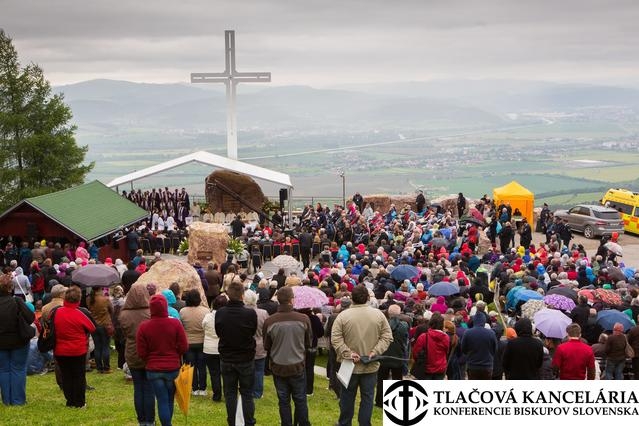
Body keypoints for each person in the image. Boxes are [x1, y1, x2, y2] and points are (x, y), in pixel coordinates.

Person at [331, 285, 393, 426]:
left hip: (356, 364)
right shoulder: (378, 315)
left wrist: (371, 352)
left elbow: (335, 339)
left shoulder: (343, 316)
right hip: (363, 365)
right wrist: (372, 352)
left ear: (352, 298)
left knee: (348, 397)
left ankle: (345, 423)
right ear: (367, 298)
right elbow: (387, 337)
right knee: (366, 398)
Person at [263, 286, 312, 426]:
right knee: (300, 399)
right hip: (296, 365)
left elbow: (267, 345)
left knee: (284, 400)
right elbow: (308, 342)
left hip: (279, 366)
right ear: (291, 300)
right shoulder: (303, 319)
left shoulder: (270, 321)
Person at [137, 294, 188, 426]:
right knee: (169, 399)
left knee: (162, 399)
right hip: (172, 368)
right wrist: (175, 354)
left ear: (151, 308)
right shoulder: (175, 324)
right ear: (165, 307)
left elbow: (141, 352)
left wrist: (150, 358)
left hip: (153, 369)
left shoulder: (144, 327)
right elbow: (184, 346)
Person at [215, 281, 258, 426]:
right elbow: (251, 332)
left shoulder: (221, 313)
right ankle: (248, 421)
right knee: (246, 393)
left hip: (228, 357)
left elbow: (219, 332)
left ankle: (232, 421)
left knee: (230, 393)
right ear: (242, 295)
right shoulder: (249, 313)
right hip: (244, 357)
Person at [54, 286, 96, 408]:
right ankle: (80, 402)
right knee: (78, 376)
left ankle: (70, 401)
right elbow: (92, 328)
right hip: (78, 350)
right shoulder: (80, 314)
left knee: (66, 375)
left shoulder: (57, 312)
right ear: (78, 300)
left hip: (60, 349)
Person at [119, 285, 155, 426]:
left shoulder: (124, 315)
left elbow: (122, 334)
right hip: (148, 353)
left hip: (132, 352)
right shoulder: (151, 313)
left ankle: (142, 420)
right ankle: (150, 420)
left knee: (138, 388)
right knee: (149, 388)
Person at [0, 272, 35, 405]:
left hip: (2, 342)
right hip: (19, 340)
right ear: (11, 288)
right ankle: (18, 400)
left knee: (3, 370)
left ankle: (7, 400)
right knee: (18, 369)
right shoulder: (17, 301)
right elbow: (31, 317)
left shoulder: (16, 301)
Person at [375, 305, 408, 406]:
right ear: (399, 313)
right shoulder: (404, 326)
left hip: (384, 355)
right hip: (397, 356)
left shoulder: (382, 325)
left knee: (381, 380)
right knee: (397, 380)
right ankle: (398, 402)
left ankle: (380, 401)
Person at [181, 289, 210, 396]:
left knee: (191, 366)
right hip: (202, 342)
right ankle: (202, 388)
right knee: (202, 366)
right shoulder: (205, 311)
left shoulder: (183, 311)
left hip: (189, 342)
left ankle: (194, 388)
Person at [242, 290, 269, 399]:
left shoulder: (242, 312)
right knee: (258, 370)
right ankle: (257, 392)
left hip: (246, 345)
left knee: (247, 370)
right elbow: (267, 329)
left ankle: (249, 390)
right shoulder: (263, 313)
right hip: (259, 345)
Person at [203, 294, 227, 402]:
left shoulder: (208, 317)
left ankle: (217, 395)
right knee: (226, 373)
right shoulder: (227, 317)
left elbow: (203, 326)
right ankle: (227, 394)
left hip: (210, 348)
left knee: (214, 373)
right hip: (223, 347)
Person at [411, 312, 449, 380]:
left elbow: (415, 352)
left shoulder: (423, 336)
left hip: (426, 368)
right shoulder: (446, 337)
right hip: (440, 368)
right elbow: (446, 351)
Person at [460, 313, 498, 379]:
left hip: (472, 365)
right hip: (487, 365)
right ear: (484, 322)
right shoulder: (491, 333)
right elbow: (495, 349)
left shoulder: (467, 333)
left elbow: (463, 349)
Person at [87, 287, 114, 374]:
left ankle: (99, 368)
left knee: (97, 346)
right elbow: (112, 310)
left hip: (94, 325)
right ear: (100, 289)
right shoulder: (105, 299)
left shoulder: (89, 299)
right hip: (105, 324)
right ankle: (106, 367)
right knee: (105, 346)